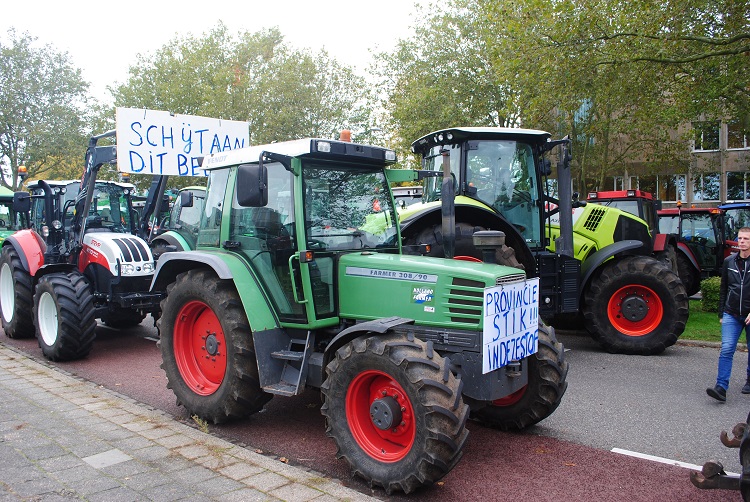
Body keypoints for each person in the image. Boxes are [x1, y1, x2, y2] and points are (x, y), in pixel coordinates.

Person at [707, 226, 750, 402]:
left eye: (746, 239)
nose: (742, 242)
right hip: (731, 313)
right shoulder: (729, 262)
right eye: (740, 238)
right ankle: (721, 387)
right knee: (726, 349)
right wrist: (722, 313)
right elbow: (724, 288)